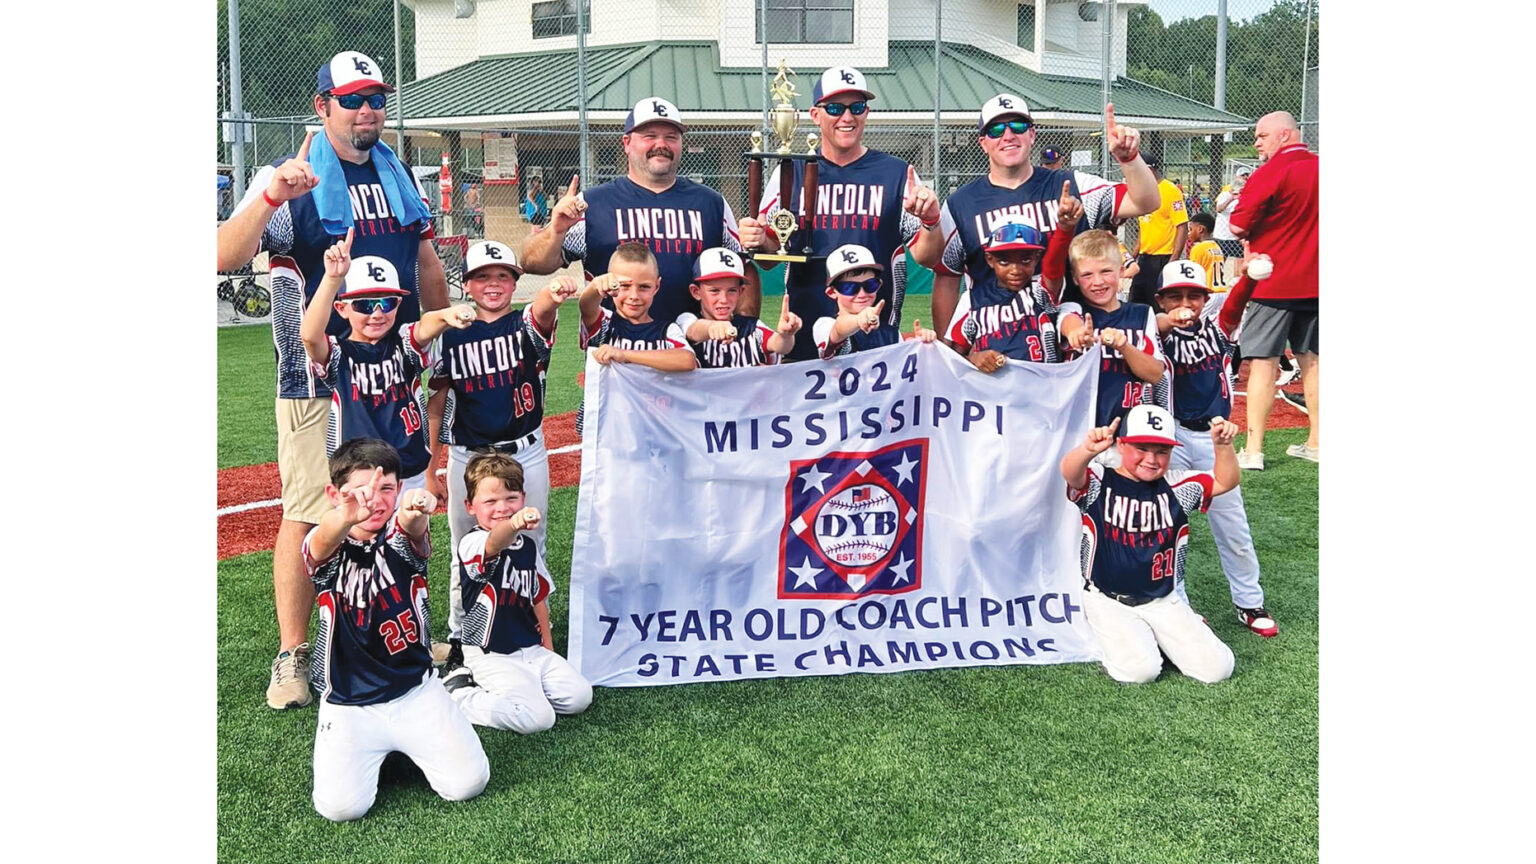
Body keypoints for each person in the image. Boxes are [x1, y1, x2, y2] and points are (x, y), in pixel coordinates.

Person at [215, 50, 449, 711]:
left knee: (397, 504)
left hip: (394, 372)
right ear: (323, 107)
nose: (367, 109)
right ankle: (293, 653)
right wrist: (271, 196)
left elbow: (427, 264)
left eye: (376, 97)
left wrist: (441, 349)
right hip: (317, 380)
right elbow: (223, 254)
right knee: (307, 509)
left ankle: (406, 630)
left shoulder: (398, 174)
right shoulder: (293, 174)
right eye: (352, 99)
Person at [304, 438, 489, 820]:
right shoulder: (328, 545)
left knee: (468, 783)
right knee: (341, 808)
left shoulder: (398, 540)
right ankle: (383, 751)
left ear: (399, 488)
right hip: (350, 703)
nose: (373, 499)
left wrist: (415, 509)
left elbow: (410, 527)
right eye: (358, 490)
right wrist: (345, 516)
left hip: (414, 690)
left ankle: (413, 737)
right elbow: (320, 544)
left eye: (386, 488)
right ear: (334, 495)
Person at [425, 240, 579, 668]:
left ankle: (532, 631)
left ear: (514, 282)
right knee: (465, 549)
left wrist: (553, 291)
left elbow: (542, 309)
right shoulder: (450, 333)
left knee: (530, 540)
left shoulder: (524, 324)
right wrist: (430, 469)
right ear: (467, 284)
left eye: (502, 276)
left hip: (524, 449)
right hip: (467, 454)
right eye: (482, 277)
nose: (492, 284)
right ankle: (463, 636)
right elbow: (436, 404)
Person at [915, 97, 1161, 341]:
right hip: (998, 344)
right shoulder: (961, 204)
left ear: (1032, 134)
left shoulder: (1072, 185)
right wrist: (949, 354)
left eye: (1018, 126)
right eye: (996, 130)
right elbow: (947, 274)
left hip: (1074, 341)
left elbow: (1146, 202)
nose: (1008, 135)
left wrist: (1129, 159)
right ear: (983, 143)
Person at [751, 67, 944, 361]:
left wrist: (930, 221)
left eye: (856, 107)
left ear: (866, 113)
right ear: (815, 115)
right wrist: (758, 239)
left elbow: (927, 257)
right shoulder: (790, 172)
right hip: (806, 342)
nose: (847, 117)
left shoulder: (896, 174)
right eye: (834, 108)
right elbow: (768, 259)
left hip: (877, 343)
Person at [520, 96, 760, 324]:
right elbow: (532, 263)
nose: (661, 145)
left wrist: (744, 330)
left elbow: (744, 267)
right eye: (650, 136)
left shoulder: (711, 203)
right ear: (627, 143)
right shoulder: (594, 203)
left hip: (693, 346)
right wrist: (556, 231)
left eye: (671, 137)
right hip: (615, 347)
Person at [1059, 405, 1239, 684]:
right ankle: (1132, 638)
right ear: (1121, 445)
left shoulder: (1178, 485)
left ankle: (1157, 636)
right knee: (1141, 672)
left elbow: (1225, 481)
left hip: (1162, 599)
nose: (1151, 459)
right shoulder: (1101, 479)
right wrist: (1087, 450)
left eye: (1162, 451)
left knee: (1218, 669)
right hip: (1108, 598)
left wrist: (1223, 446)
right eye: (1141, 448)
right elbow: (1070, 473)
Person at [1152, 261, 1277, 638]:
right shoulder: (1154, 333)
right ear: (1161, 300)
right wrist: (1167, 319)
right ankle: (1176, 604)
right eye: (1175, 297)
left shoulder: (1218, 330)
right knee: (1167, 526)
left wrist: (1249, 278)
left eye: (1194, 296)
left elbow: (1234, 308)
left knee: (1232, 525)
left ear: (1205, 299)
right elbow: (1149, 328)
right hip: (1171, 437)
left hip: (1214, 438)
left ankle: (1249, 601)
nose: (1185, 304)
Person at [300, 235, 477, 496]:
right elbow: (310, 336)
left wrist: (446, 314)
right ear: (341, 308)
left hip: (410, 471)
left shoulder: (403, 343)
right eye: (363, 305)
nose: (377, 313)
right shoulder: (340, 354)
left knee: (413, 523)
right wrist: (332, 279)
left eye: (387, 303)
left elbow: (425, 326)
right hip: (359, 475)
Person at [442, 453, 593, 733]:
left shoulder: (527, 547)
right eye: (490, 501)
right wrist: (513, 524)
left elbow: (538, 598)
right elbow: (495, 541)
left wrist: (548, 650)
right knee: (538, 719)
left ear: (523, 498)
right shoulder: (472, 542)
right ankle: (460, 694)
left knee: (578, 697)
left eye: (511, 498)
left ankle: (526, 687)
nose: (502, 507)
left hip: (531, 648)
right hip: (489, 652)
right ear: (470, 506)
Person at [1221, 111, 1320, 467]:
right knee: (1313, 360)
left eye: (1262, 136)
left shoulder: (1271, 171)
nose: (1257, 143)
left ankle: (1254, 450)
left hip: (1272, 281)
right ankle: (1317, 442)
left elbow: (1236, 225)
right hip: (1316, 280)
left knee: (1263, 363)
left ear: (1284, 135)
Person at [575, 242, 699, 434]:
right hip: (607, 432)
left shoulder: (667, 331)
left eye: (644, 287)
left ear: (657, 286)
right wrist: (595, 287)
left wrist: (625, 355)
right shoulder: (605, 324)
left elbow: (687, 360)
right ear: (611, 284)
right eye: (624, 286)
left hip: (654, 429)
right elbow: (586, 306)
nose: (634, 296)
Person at [1061, 230, 1168, 437]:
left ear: (1121, 271)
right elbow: (1069, 323)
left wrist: (1124, 347)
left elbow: (1155, 374)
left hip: (1129, 431)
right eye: (1087, 275)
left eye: (1106, 271)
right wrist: (1077, 334)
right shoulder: (1074, 310)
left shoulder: (1142, 313)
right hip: (1081, 431)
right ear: (1075, 278)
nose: (1098, 282)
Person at [945, 217, 1083, 371]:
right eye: (1004, 262)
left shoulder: (1040, 291)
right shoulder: (972, 299)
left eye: (1025, 260)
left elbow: (1053, 267)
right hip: (991, 385)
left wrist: (1064, 229)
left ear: (1037, 258)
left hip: (1043, 384)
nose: (1015, 270)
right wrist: (973, 359)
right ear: (989, 259)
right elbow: (952, 357)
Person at [676, 247, 800, 368]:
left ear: (741, 291)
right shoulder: (687, 320)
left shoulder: (751, 327)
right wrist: (712, 327)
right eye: (714, 291)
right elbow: (692, 331)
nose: (724, 299)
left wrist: (785, 335)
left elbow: (779, 345)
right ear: (696, 292)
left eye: (732, 290)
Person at [813, 244, 937, 358]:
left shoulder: (890, 334)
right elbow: (838, 330)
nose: (862, 294)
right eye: (849, 288)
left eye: (870, 285)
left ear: (879, 285)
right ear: (832, 292)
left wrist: (919, 343)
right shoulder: (824, 326)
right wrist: (859, 320)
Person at [1126, 154, 1190, 307]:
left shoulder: (1170, 190)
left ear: (1149, 170)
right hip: (1144, 258)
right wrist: (1133, 255)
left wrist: (1173, 259)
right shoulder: (1142, 191)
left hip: (1162, 257)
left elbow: (1182, 226)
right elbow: (1144, 227)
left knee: (1157, 304)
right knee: (1135, 301)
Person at [1211, 167, 1250, 260]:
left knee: (1241, 259)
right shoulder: (1225, 194)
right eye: (1242, 175)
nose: (1245, 177)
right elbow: (1219, 209)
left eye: (1247, 175)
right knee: (1220, 259)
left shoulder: (1246, 195)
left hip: (1236, 237)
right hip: (1222, 236)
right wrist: (1231, 198)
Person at [1185, 213, 1228, 294]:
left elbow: (1193, 274)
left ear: (1200, 229)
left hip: (1209, 293)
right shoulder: (1216, 246)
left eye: (1191, 229)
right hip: (1222, 292)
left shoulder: (1198, 248)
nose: (1188, 233)